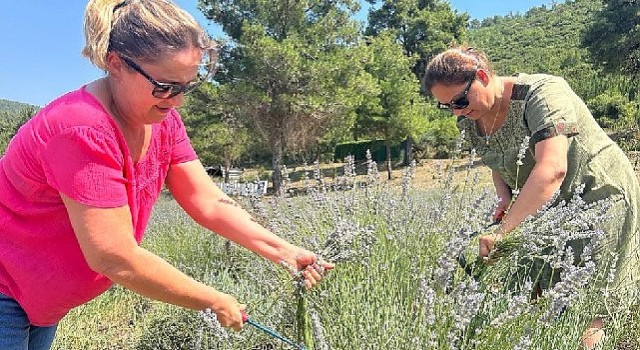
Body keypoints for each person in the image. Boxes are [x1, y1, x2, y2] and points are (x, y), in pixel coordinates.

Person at [0, 0, 333, 349]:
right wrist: (212, 300)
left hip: (38, 301)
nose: (176, 101)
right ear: (116, 64)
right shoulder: (81, 130)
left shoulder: (161, 120)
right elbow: (114, 256)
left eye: (186, 86)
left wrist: (285, 252)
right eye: (164, 85)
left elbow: (207, 201)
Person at [422, 46, 640, 349]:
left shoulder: (544, 93)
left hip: (598, 193)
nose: (457, 111)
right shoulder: (471, 117)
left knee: (589, 303)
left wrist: (502, 233)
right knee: (539, 292)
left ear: (482, 76)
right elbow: (497, 160)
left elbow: (552, 168)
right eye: (447, 107)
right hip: (545, 205)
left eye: (459, 100)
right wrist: (503, 194)